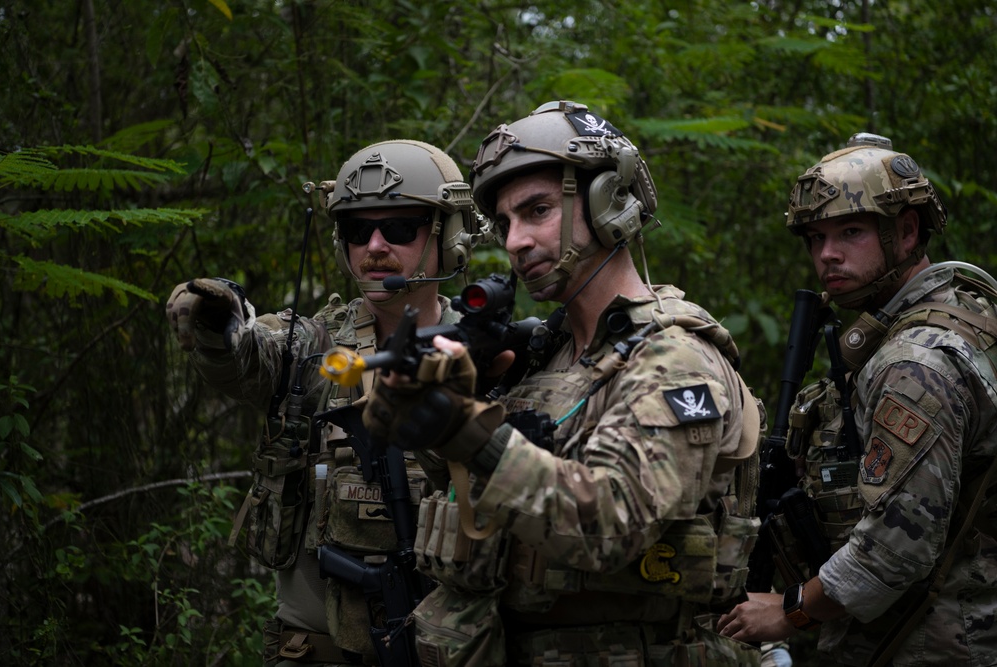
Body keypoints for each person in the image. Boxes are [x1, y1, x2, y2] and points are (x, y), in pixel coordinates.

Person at [362, 100, 764, 666]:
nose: (515, 241)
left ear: (608, 204)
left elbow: (612, 522)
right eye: (504, 224)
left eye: (538, 211)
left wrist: (468, 431)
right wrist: (432, 416)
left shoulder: (674, 360)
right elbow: (486, 498)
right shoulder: (544, 355)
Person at [165, 139, 485, 665]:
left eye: (400, 228)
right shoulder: (311, 345)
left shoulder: (486, 353)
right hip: (313, 651)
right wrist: (214, 320)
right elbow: (246, 355)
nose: (376, 246)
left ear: (448, 237)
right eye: (359, 230)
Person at [717, 133, 997, 665]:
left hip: (930, 644)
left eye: (850, 231)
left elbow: (899, 545)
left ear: (907, 231)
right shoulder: (958, 316)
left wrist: (791, 609)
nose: (827, 254)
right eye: (816, 237)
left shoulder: (915, 362)